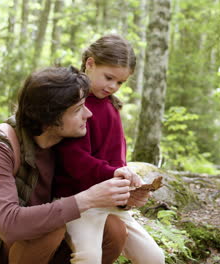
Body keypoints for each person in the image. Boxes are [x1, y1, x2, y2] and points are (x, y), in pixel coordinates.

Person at [0, 66, 134, 264]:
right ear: (49, 121)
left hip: (40, 246)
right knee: (49, 230)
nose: (88, 114)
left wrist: (126, 194)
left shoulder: (65, 142)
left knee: (113, 230)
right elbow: (9, 224)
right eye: (78, 109)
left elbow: (90, 180)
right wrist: (88, 199)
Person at [54, 34, 165, 263]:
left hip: (111, 200)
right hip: (79, 200)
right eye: (109, 77)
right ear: (90, 63)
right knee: (89, 257)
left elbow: (116, 160)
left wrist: (128, 188)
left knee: (154, 258)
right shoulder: (76, 104)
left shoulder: (111, 106)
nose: (113, 86)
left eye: (120, 82)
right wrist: (112, 174)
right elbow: (74, 160)